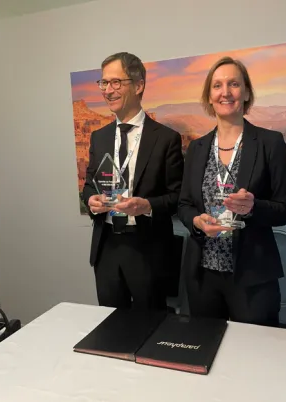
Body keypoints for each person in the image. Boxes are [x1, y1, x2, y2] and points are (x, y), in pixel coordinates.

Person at [177, 56, 286, 327]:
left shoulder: (270, 143)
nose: (225, 92)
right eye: (217, 85)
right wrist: (196, 221)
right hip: (203, 275)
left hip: (253, 275)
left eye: (234, 84)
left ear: (247, 92)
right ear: (209, 96)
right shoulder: (196, 148)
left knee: (254, 349)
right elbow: (184, 205)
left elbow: (285, 209)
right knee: (206, 345)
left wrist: (253, 207)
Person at [82, 52, 184, 310]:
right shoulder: (99, 137)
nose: (108, 90)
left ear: (139, 86)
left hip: (147, 249)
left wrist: (147, 206)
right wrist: (91, 200)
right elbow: (89, 185)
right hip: (106, 247)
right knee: (110, 325)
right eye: (104, 83)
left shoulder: (166, 139)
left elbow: (178, 197)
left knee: (150, 327)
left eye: (116, 82)